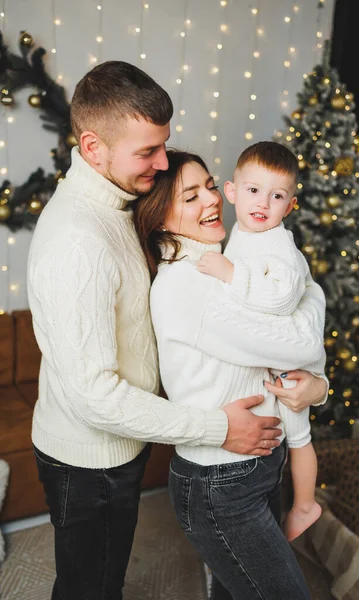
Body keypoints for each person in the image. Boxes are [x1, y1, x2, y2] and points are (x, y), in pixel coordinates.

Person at [27, 61, 286, 600]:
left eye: (162, 146)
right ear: (93, 146)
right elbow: (95, 396)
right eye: (147, 152)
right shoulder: (79, 241)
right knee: (89, 588)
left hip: (120, 443)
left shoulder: (117, 204)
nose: (162, 163)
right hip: (89, 457)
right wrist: (217, 428)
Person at [133, 149, 328, 599]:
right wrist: (312, 302)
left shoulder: (226, 259)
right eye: (191, 195)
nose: (212, 199)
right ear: (162, 214)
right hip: (222, 483)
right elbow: (302, 341)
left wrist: (316, 387)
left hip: (257, 465)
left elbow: (298, 296)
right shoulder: (190, 283)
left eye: (210, 185)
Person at [197, 140, 324, 542]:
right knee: (288, 435)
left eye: (277, 196)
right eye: (253, 191)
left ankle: (305, 504)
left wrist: (231, 275)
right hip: (272, 353)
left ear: (289, 206)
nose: (263, 203)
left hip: (292, 358)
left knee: (299, 434)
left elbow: (284, 298)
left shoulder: (277, 243)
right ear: (232, 192)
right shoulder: (242, 233)